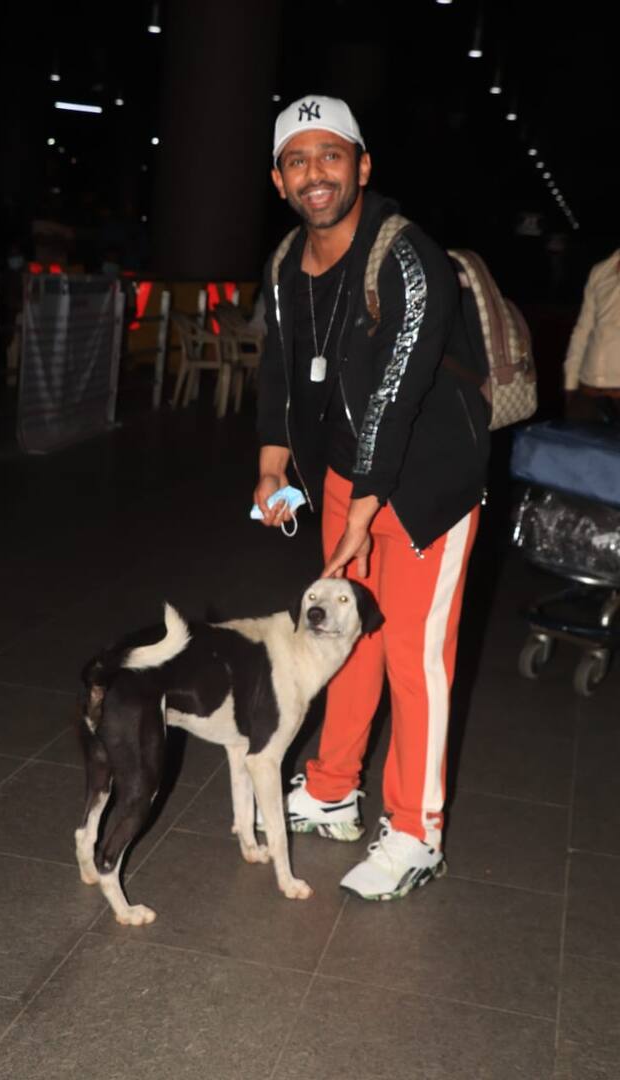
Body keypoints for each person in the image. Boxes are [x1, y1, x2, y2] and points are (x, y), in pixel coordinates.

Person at [254, 95, 490, 901]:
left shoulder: (407, 256)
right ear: (279, 178)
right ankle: (329, 789)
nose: (314, 174)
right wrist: (272, 464)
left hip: (426, 487)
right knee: (341, 635)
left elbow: (396, 386)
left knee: (414, 660)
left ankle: (416, 833)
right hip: (347, 479)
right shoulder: (289, 262)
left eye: (330, 156)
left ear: (362, 165)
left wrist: (363, 502)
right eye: (297, 160)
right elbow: (280, 368)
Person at [563, 250, 620, 425]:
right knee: (574, 449)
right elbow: (582, 331)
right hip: (588, 389)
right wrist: (570, 385)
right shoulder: (602, 270)